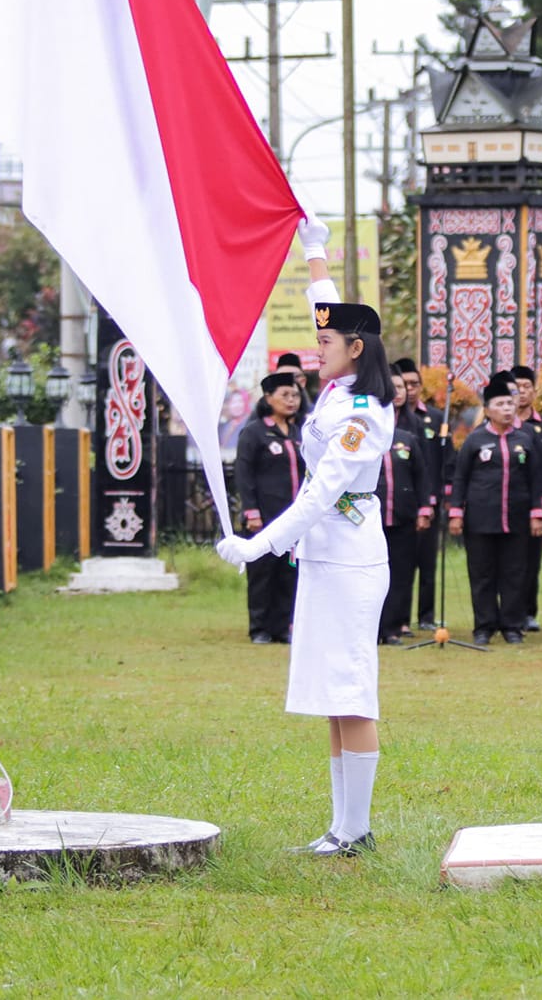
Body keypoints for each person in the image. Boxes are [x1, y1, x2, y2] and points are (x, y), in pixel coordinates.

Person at [217, 218, 395, 859]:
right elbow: (326, 307)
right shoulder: (337, 388)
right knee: (330, 695)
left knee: (351, 689)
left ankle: (358, 829)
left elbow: (320, 494)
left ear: (357, 347)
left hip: (348, 558)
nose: (316, 347)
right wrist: (314, 250)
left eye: (328, 341)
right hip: (325, 557)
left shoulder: (361, 413)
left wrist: (257, 544)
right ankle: (341, 827)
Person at [450, 372, 542, 645]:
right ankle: (484, 626)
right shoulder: (475, 440)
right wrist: (456, 512)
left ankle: (512, 626)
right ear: (488, 409)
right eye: (500, 405)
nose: (507, 409)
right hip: (480, 520)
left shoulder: (526, 439)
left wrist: (537, 512)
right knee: (482, 574)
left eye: (509, 404)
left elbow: (537, 478)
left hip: (516, 519)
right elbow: (460, 478)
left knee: (515, 574)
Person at [233, 371, 304, 645]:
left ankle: (282, 626)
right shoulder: (255, 432)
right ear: (268, 398)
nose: (291, 401)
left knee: (289, 571)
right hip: (263, 517)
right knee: (262, 573)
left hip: (293, 518)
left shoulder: (300, 432)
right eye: (285, 395)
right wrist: (251, 512)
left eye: (295, 395)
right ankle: (259, 627)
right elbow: (244, 474)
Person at [377, 370, 436, 644]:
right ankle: (371, 629)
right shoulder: (361, 436)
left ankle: (393, 627)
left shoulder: (407, 438)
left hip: (403, 517)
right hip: (369, 520)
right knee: (372, 575)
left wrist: (425, 508)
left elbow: (422, 476)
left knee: (400, 574)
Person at [390, 358, 445, 634]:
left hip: (413, 505)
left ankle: (406, 619)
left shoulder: (422, 423)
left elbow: (428, 468)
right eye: (397, 386)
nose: (402, 391)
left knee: (414, 564)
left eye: (408, 385)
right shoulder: (370, 424)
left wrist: (428, 502)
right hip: (381, 507)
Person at [510, 363, 542, 632]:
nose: (521, 392)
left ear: (534, 391)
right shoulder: (492, 425)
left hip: (535, 504)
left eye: (526, 387)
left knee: (530, 561)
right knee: (508, 561)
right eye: (516, 388)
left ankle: (528, 612)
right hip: (506, 503)